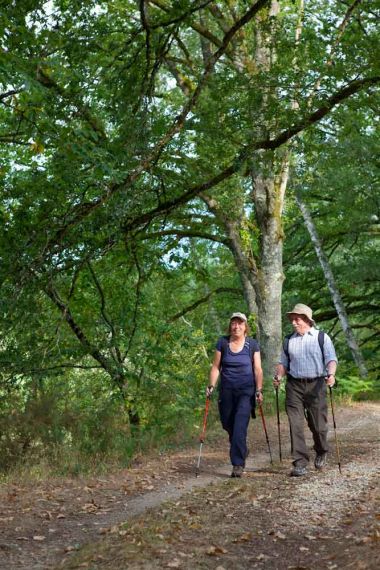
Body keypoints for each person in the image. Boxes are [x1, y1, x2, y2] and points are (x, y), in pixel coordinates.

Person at [273, 303, 337, 477]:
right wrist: (278, 376)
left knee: (319, 426)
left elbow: (331, 359)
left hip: (317, 384)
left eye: (297, 319)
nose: (293, 322)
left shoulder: (321, 337)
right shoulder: (288, 340)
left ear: (307, 320)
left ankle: (322, 449)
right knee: (295, 424)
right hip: (294, 386)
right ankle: (300, 462)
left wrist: (331, 374)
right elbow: (283, 364)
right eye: (292, 319)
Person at [206, 312, 263, 478]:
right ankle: (241, 447)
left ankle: (237, 464)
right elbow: (216, 367)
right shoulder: (222, 342)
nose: (236, 326)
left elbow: (257, 369)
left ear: (245, 327)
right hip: (227, 391)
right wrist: (211, 385)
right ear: (230, 325)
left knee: (239, 425)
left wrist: (259, 389)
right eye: (233, 323)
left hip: (246, 391)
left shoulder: (252, 344)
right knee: (227, 423)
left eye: (240, 323)